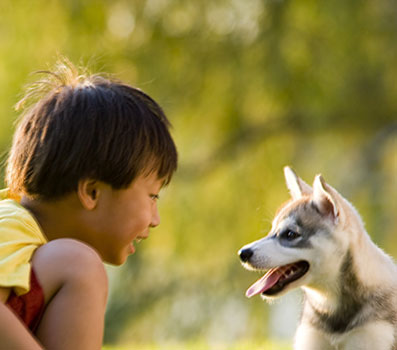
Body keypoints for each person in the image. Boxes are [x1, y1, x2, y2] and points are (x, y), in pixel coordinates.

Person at [0, 58, 178, 349]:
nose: (155, 219)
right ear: (92, 192)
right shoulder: (9, 223)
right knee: (78, 264)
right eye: (152, 197)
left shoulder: (27, 242)